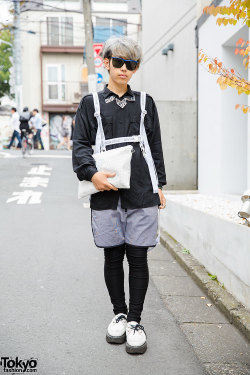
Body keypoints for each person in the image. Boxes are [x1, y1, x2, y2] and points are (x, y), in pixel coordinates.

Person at [72, 36, 167, 355]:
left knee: (138, 256)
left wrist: (160, 186)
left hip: (141, 189)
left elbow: (154, 145)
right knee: (113, 254)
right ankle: (120, 313)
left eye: (132, 64)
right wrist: (91, 173)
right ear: (106, 62)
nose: (125, 69)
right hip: (105, 189)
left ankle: (136, 322)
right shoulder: (91, 104)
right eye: (119, 62)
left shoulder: (145, 102)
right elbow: (80, 144)